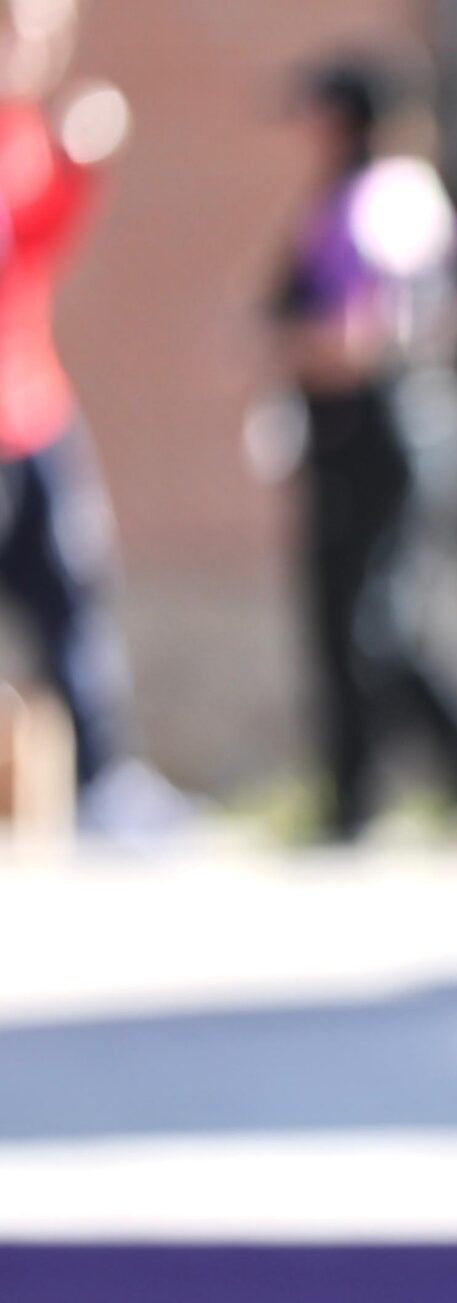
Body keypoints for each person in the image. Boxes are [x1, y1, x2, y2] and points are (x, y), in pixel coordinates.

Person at [273, 55, 457, 842]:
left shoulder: (363, 204)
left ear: (341, 119)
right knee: (357, 620)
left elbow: (355, 339)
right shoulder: (410, 194)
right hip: (404, 427)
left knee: (373, 622)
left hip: (379, 432)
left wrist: (266, 344)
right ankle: (359, 802)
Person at [0, 0, 185, 836]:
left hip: (33, 411)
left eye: (42, 38)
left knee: (72, 594)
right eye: (17, 33)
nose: (31, 54)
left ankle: (104, 784)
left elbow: (33, 256)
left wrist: (77, 171)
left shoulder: (26, 133)